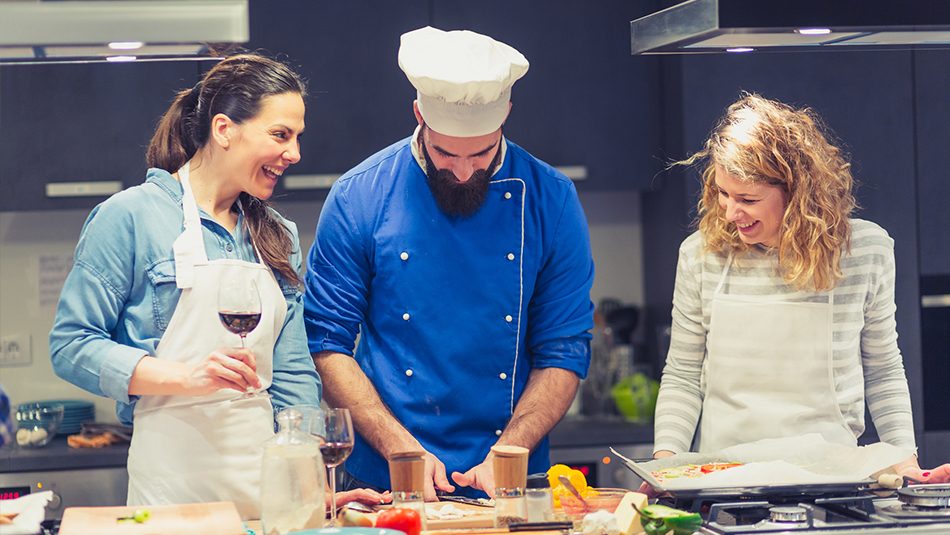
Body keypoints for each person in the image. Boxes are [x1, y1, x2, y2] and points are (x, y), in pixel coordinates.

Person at [49, 54, 389, 518]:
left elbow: (292, 378)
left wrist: (308, 487)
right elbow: (71, 346)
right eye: (280, 135)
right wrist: (184, 377)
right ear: (224, 129)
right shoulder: (130, 217)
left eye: (297, 137)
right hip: (171, 498)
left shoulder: (278, 235)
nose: (295, 154)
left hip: (266, 500)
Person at [304, 27, 595, 499]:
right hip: (384, 474)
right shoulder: (359, 195)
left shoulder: (552, 198)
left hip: (512, 474)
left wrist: (509, 450)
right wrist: (401, 450)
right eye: (445, 152)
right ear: (418, 115)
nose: (463, 171)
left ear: (506, 119)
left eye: (480, 153)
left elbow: (563, 349)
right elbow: (326, 342)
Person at [652, 93, 949, 483]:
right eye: (723, 194)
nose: (729, 212)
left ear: (796, 194)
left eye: (747, 199)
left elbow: (883, 369)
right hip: (725, 482)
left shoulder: (863, 252)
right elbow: (683, 375)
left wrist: (905, 460)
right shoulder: (701, 255)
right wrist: (664, 465)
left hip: (833, 483)